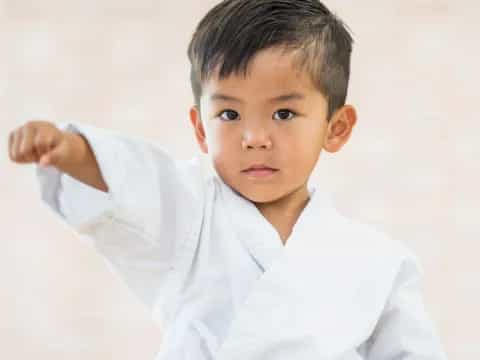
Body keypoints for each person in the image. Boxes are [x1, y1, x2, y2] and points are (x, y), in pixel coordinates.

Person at [8, 0, 448, 359]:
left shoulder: (379, 260)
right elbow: (133, 181)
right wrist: (71, 151)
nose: (254, 138)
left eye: (284, 113)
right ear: (201, 128)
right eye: (229, 114)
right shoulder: (190, 214)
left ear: (336, 127)